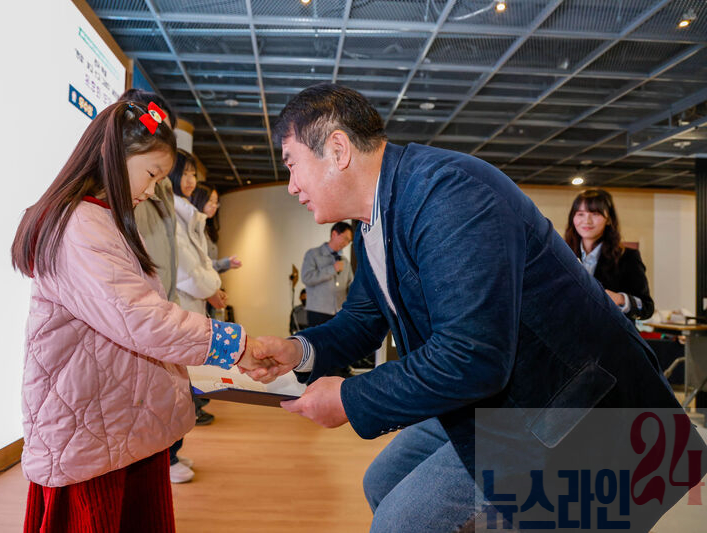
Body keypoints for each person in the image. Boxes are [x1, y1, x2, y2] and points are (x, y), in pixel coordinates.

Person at [243, 83, 705, 532]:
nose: (292, 186)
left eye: (292, 164)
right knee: (382, 482)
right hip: (494, 396)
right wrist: (296, 350)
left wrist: (350, 397)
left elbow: (472, 356)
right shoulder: (372, 223)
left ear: (338, 149)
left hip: (565, 404)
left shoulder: (449, 194)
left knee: (400, 523)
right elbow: (363, 320)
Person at [11, 100, 269, 531]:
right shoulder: (80, 226)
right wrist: (232, 344)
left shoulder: (100, 219)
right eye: (151, 174)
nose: (151, 190)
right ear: (116, 157)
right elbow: (141, 319)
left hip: (113, 418)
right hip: (92, 424)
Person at [116, 89, 194, 484]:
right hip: (142, 306)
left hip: (160, 298)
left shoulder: (157, 186)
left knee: (164, 394)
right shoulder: (115, 196)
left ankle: (166, 455)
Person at [565, 189, 654, 320]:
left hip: (608, 332)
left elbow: (647, 308)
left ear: (609, 219)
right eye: (580, 214)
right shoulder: (562, 255)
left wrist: (620, 299)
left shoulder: (628, 257)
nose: (587, 221)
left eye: (595, 214)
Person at [171, 151, 227, 315]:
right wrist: (211, 291)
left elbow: (202, 261)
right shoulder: (171, 213)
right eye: (184, 174)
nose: (191, 181)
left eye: (193, 174)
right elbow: (185, 268)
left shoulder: (191, 215)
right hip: (182, 304)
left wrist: (214, 288)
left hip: (195, 300)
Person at [301, 222, 354, 328]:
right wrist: (332, 269)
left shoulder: (345, 261)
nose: (346, 243)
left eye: (349, 241)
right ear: (334, 234)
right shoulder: (313, 254)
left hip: (339, 313)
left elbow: (351, 284)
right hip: (318, 312)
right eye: (345, 238)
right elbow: (307, 278)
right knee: (318, 339)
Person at [190, 183, 242, 274]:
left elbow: (209, 268)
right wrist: (223, 263)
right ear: (199, 199)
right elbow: (198, 265)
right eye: (210, 201)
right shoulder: (192, 228)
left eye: (216, 202)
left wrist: (226, 264)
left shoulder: (207, 229)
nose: (214, 206)